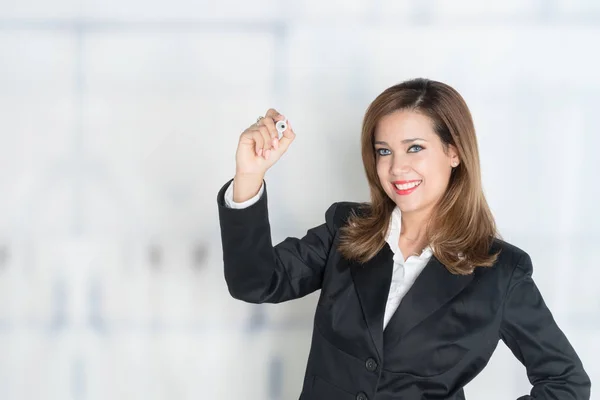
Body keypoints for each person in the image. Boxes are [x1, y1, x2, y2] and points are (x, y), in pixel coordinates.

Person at [216, 78, 591, 399]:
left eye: (415, 148)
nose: (396, 168)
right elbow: (255, 283)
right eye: (384, 151)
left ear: (454, 152)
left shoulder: (500, 272)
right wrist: (249, 175)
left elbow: (566, 381)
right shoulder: (346, 229)